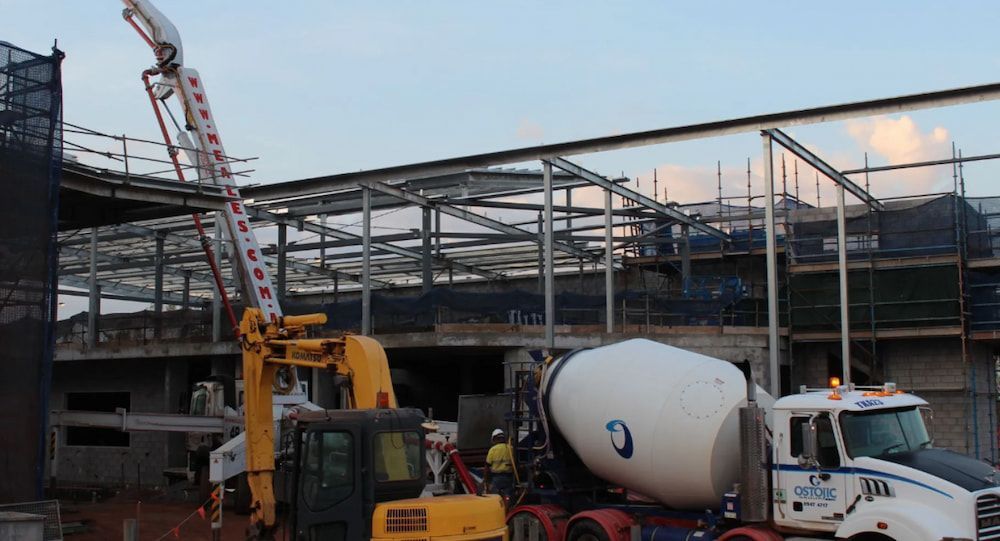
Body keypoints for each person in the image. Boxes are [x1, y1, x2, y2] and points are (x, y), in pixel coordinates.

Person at [482, 427, 514, 501]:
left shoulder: (493, 450)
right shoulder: (511, 448)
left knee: (495, 498)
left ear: (494, 439)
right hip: (509, 478)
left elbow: (487, 466)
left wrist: (485, 480)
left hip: (496, 478)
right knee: (508, 497)